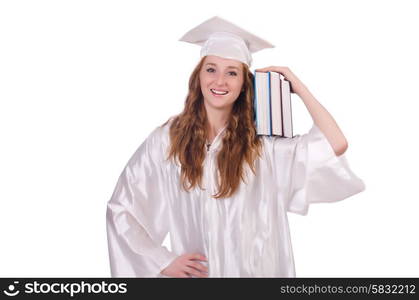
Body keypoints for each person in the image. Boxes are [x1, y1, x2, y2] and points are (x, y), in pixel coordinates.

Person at [106, 16, 366, 278]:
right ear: (198, 77)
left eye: (232, 72)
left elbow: (335, 144)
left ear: (244, 85)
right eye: (211, 69)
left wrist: (297, 86)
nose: (219, 81)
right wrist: (161, 260)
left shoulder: (263, 147)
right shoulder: (168, 141)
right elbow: (122, 209)